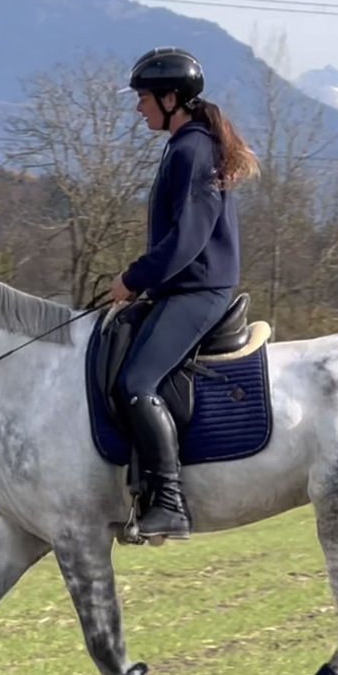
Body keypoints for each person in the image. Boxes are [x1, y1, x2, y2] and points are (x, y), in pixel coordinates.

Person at [109, 46, 260, 541]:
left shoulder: (193, 150)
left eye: (145, 98)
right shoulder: (183, 146)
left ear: (172, 98)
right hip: (184, 286)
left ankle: (170, 503)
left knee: (136, 383)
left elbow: (187, 240)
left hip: (200, 290)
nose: (139, 109)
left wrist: (134, 279)